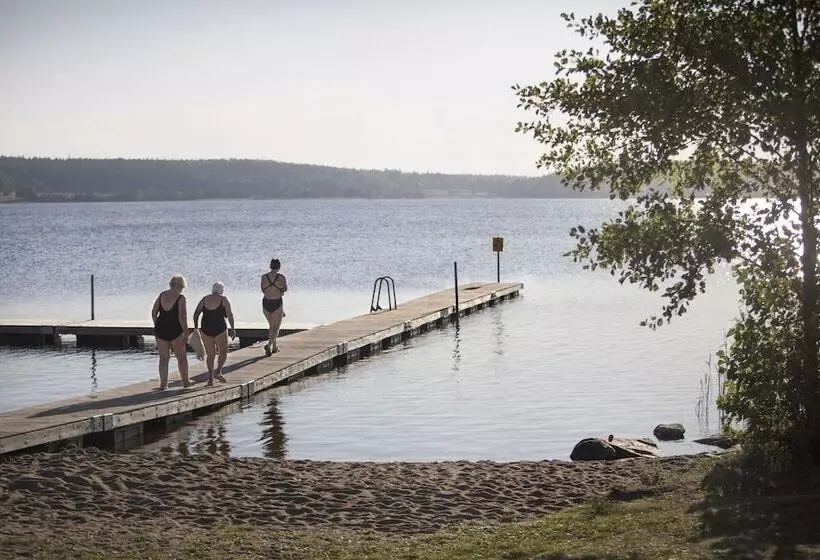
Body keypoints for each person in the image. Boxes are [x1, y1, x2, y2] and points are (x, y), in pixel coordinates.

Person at [151, 275, 193, 390]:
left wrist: (157, 324)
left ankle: (163, 384)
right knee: (182, 358)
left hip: (161, 330)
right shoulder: (181, 298)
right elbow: (182, 318)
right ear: (182, 286)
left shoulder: (162, 295)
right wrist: (186, 332)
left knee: (164, 358)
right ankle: (186, 382)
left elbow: (154, 312)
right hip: (176, 331)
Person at [193, 282, 236, 386]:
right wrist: (232, 328)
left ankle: (210, 379)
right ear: (222, 290)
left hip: (206, 329)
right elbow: (230, 315)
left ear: (212, 290)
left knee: (210, 355)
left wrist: (196, 327)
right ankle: (218, 371)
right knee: (223, 352)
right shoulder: (224, 300)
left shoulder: (204, 299)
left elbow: (196, 313)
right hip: (220, 329)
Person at [261, 258, 288, 356]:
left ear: (270, 266)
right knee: (276, 328)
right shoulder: (281, 277)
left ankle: (274, 347)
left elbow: (263, 289)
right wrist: (279, 291)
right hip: (277, 302)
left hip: (266, 302)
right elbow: (285, 289)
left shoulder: (264, 277)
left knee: (271, 326)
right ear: (279, 267)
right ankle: (269, 345)